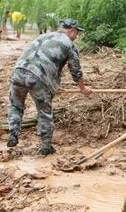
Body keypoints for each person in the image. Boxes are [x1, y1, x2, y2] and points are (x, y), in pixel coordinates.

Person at [6, 19, 92, 155]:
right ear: (71, 31)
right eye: (77, 33)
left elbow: (42, 60)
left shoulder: (43, 36)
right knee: (44, 112)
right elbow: (75, 70)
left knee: (15, 106)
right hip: (38, 77)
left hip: (18, 73)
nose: (77, 37)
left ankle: (13, 134)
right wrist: (83, 88)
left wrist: (54, 86)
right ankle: (46, 146)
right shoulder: (69, 44)